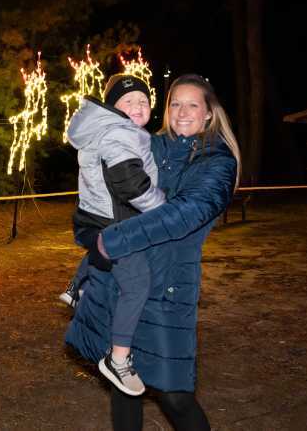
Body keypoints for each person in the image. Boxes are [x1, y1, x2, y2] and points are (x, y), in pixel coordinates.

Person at [66, 74, 240, 431]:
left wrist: (109, 242)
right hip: (126, 276)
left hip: (168, 286)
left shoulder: (217, 163)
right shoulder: (151, 144)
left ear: (209, 112)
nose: (182, 112)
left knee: (175, 394)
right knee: (123, 382)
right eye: (175, 103)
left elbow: (182, 216)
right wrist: (90, 228)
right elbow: (106, 186)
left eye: (192, 104)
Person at [62, 74, 166, 396]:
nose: (138, 106)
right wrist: (162, 206)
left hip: (96, 216)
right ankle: (118, 358)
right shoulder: (119, 132)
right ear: (113, 108)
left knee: (101, 256)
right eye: (128, 101)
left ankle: (77, 286)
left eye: (143, 101)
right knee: (137, 285)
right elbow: (129, 183)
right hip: (115, 222)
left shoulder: (110, 129)